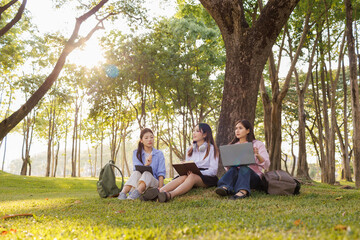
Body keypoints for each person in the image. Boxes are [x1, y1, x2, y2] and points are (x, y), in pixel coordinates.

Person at [141, 123, 219, 202]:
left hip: (206, 177)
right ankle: (159, 191)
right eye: (193, 131)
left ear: (205, 134)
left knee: (192, 176)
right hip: (190, 175)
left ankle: (170, 195)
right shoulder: (190, 149)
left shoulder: (212, 149)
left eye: (197, 131)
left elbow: (213, 171)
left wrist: (199, 173)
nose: (194, 133)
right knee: (183, 177)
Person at [215, 119, 270, 200]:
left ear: (248, 131)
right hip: (237, 177)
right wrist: (229, 163)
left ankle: (243, 191)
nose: (237, 131)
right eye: (236, 128)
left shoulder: (257, 144)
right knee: (234, 168)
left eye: (240, 128)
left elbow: (267, 165)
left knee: (244, 168)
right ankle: (225, 188)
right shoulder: (232, 146)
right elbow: (228, 169)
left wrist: (258, 155)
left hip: (253, 178)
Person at [118, 128, 166, 200]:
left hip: (153, 183)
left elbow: (161, 174)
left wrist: (160, 190)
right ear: (141, 140)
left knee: (147, 173)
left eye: (151, 137)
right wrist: (147, 164)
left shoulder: (159, 154)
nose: (149, 139)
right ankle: (122, 193)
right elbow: (137, 170)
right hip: (140, 182)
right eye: (146, 138)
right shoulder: (136, 153)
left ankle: (135, 194)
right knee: (136, 173)